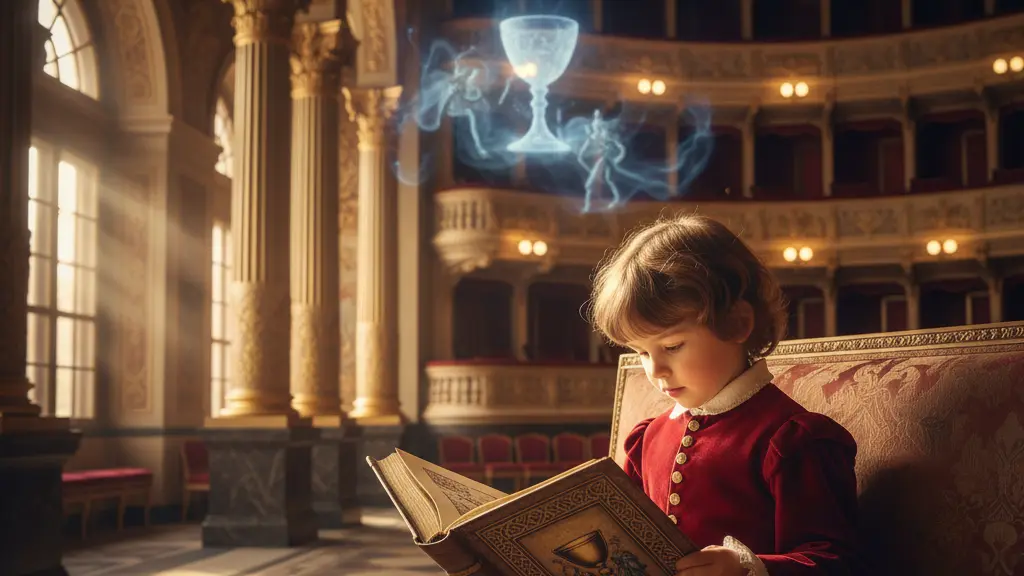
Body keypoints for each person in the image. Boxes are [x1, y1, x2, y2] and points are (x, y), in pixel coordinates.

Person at [588, 215, 864, 576]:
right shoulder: (648, 439)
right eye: (641, 352)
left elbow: (835, 561)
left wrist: (747, 568)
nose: (655, 371)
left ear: (737, 323)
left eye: (672, 346)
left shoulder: (793, 440)